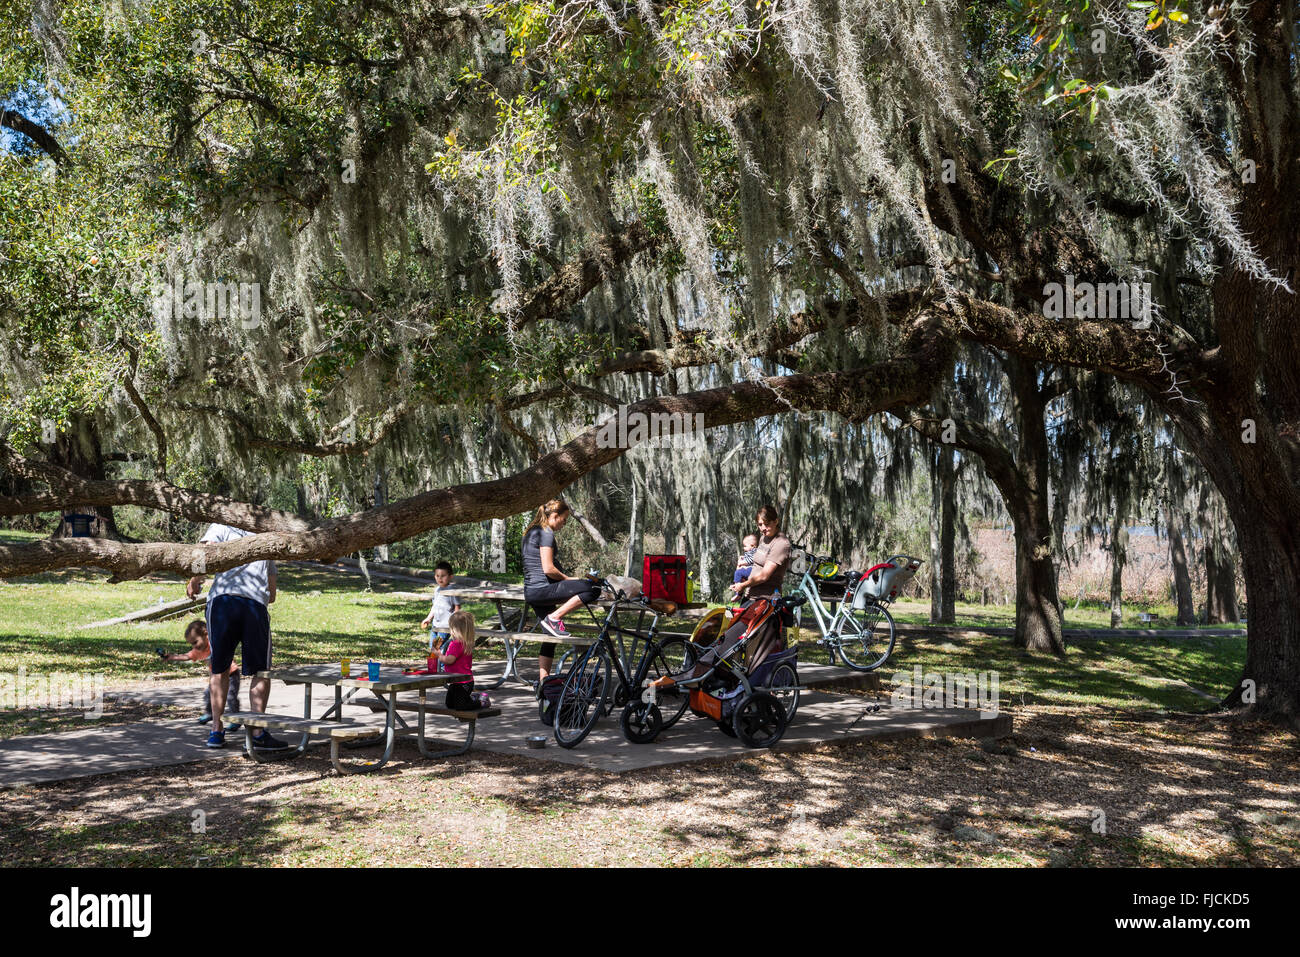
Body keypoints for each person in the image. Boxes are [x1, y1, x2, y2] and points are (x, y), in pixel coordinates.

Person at [655, 503, 792, 686]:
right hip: (748, 599)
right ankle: (707, 675)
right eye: (760, 524)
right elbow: (754, 564)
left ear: (776, 521)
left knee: (730, 640)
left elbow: (765, 575)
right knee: (720, 631)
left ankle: (697, 676)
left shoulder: (781, 544)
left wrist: (743, 584)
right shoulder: (763, 538)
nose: (763, 528)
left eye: (767, 524)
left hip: (764, 602)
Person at [186, 523, 285, 750]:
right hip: (254, 605)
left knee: (219, 669)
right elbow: (272, 594)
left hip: (222, 603)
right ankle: (258, 733)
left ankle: (216, 731)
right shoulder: (265, 532)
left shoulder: (221, 525)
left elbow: (204, 551)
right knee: (260, 670)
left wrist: (195, 581)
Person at [521, 498, 599, 688]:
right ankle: (555, 617)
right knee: (593, 588)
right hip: (543, 590)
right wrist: (571, 580)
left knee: (550, 637)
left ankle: (543, 684)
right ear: (554, 516)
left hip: (531, 592)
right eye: (563, 520)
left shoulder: (531, 531)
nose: (564, 524)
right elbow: (548, 569)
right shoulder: (546, 532)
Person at [160, 619, 242, 725]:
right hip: (216, 678)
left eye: (195, 642)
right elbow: (187, 656)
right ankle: (209, 713)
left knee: (230, 696)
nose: (195, 646)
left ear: (205, 634)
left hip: (231, 674)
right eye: (192, 644)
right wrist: (171, 657)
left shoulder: (214, 642)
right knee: (208, 693)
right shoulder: (199, 650)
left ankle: (235, 718)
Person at [429, 609, 481, 710]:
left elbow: (449, 660)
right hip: (458, 681)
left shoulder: (457, 644)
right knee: (450, 704)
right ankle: (469, 700)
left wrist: (439, 655)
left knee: (460, 706)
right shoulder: (463, 642)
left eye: (451, 628)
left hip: (463, 682)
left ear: (456, 630)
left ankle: (480, 702)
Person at [419, 561, 462, 670]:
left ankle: (442, 668)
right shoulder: (437, 590)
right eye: (437, 576)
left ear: (450, 576)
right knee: (433, 647)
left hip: (445, 626)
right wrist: (428, 618)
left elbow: (457, 607)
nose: (440, 578)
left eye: (443, 576)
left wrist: (454, 623)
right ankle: (437, 667)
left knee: (438, 648)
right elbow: (435, 606)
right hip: (435, 625)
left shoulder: (452, 590)